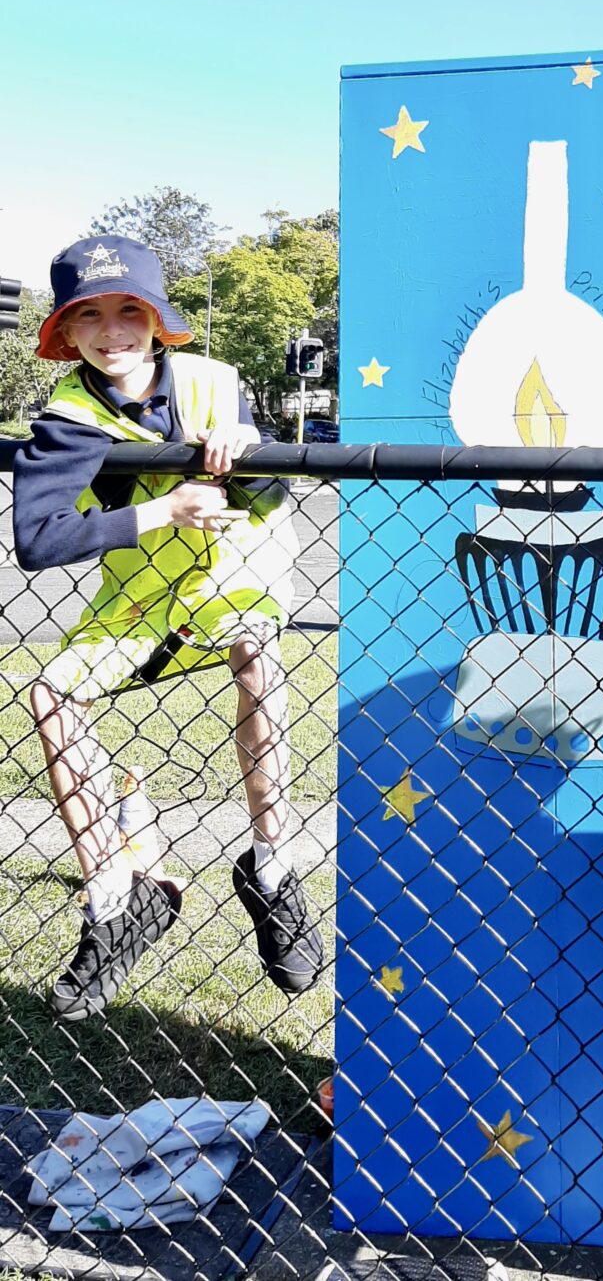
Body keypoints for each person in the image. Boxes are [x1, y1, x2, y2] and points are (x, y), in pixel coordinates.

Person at [15, 236, 324, 1021]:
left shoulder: (214, 383)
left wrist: (251, 454)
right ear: (65, 332)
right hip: (140, 599)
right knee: (50, 692)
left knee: (257, 654)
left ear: (158, 319)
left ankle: (272, 867)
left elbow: (266, 491)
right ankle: (120, 897)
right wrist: (162, 508)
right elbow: (38, 541)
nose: (112, 330)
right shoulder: (70, 414)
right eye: (89, 315)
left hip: (232, 575)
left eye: (129, 311)